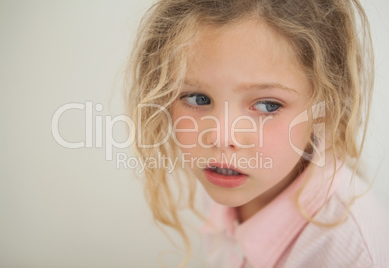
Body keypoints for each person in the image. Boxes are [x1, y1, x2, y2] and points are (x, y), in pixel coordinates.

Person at [126, 0, 389, 267]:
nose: (220, 137)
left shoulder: (351, 251)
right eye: (197, 98)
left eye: (267, 105)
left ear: (325, 109)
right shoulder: (225, 179)